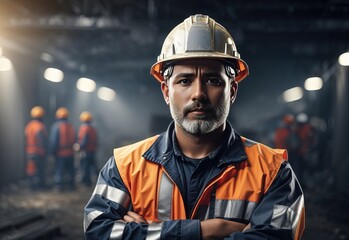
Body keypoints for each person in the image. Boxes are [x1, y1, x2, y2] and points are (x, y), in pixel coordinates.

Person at [84, 14, 305, 240]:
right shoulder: (125, 167)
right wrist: (207, 231)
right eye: (185, 81)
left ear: (232, 92)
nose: (198, 93)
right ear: (167, 92)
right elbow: (97, 231)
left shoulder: (273, 172)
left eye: (213, 80)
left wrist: (144, 233)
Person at [50, 107, 76, 191]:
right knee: (70, 170)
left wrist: (52, 152)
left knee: (59, 170)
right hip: (70, 153)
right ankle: (71, 186)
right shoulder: (71, 126)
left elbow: (54, 141)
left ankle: (59, 186)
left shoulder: (56, 126)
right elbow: (75, 138)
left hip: (60, 153)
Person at [24, 106, 48, 190]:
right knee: (40, 170)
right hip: (38, 151)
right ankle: (40, 186)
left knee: (31, 169)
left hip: (29, 151)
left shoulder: (29, 126)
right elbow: (41, 141)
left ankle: (31, 186)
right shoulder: (41, 126)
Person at [77, 111, 98, 187]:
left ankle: (86, 183)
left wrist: (80, 147)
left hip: (86, 151)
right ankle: (94, 182)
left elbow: (84, 141)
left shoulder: (84, 128)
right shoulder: (93, 129)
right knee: (92, 167)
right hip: (92, 151)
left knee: (85, 168)